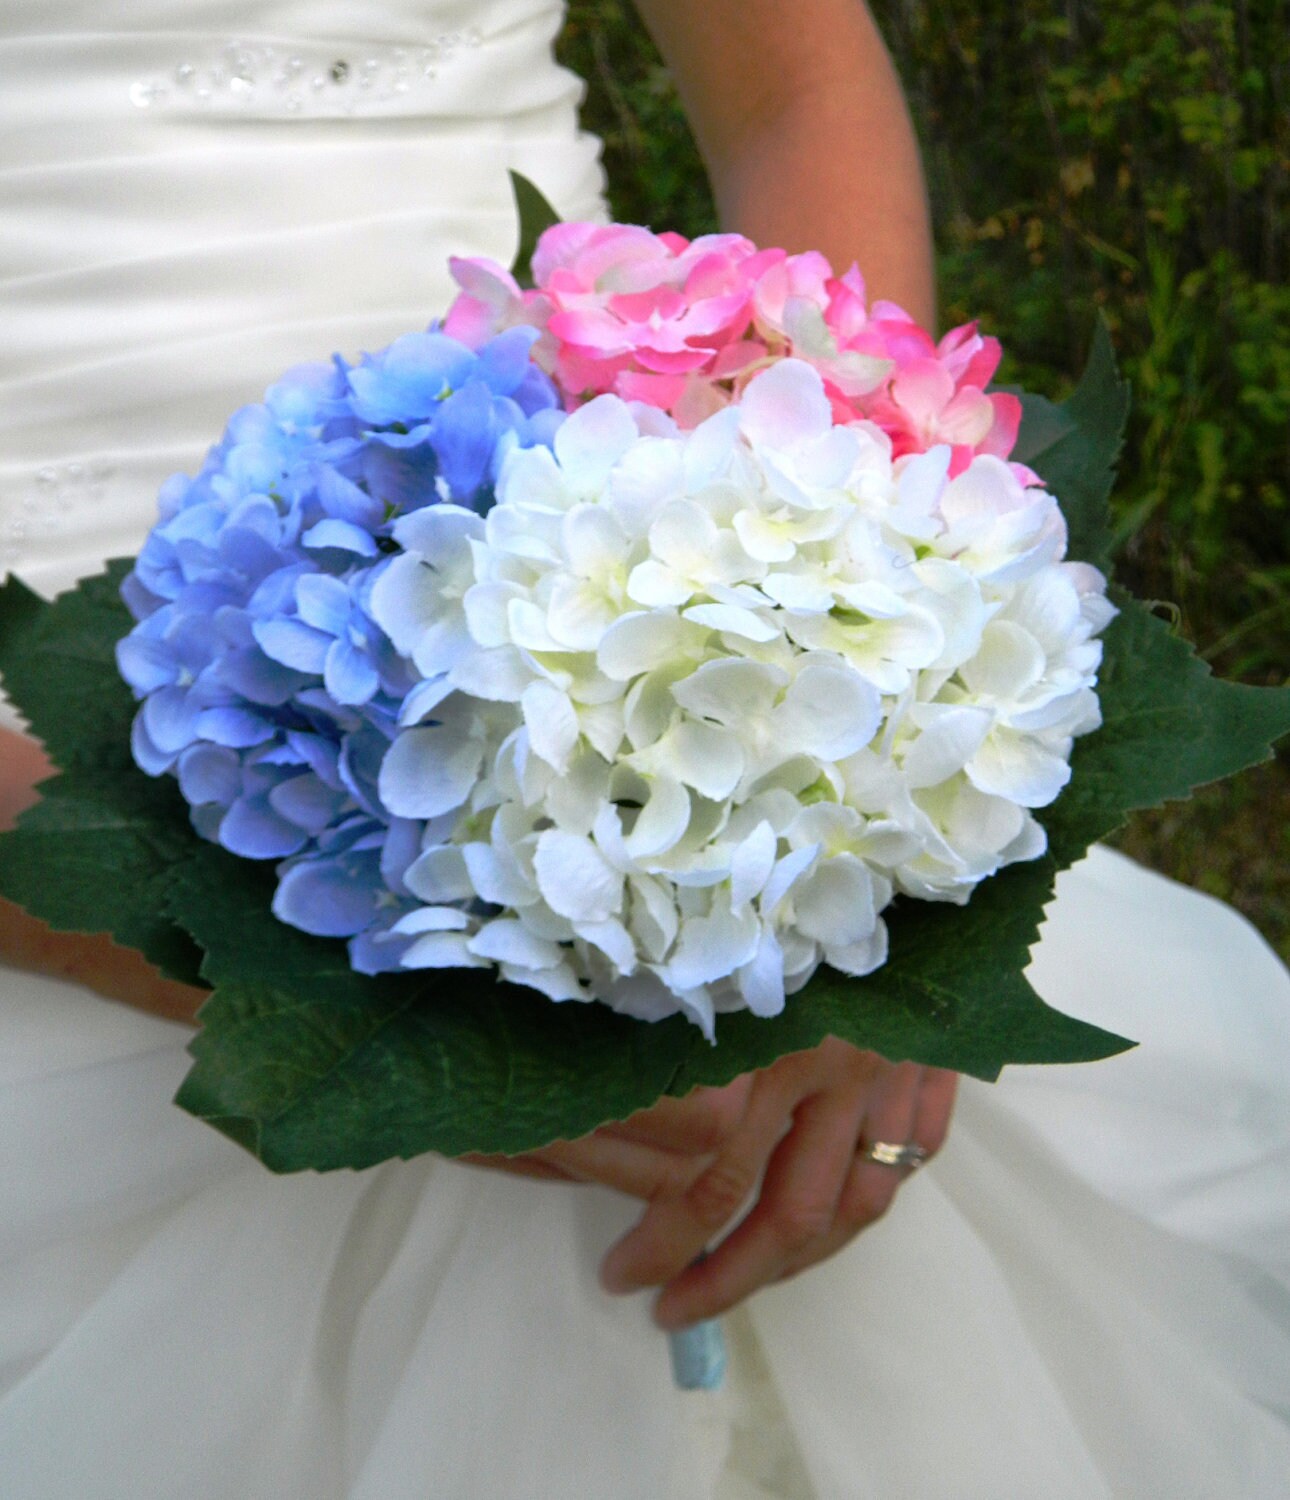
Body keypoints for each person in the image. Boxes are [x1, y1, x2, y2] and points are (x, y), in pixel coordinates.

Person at [0, 2, 1287, 1495]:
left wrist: (872, 749)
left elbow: (792, 86)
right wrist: (265, 974)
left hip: (644, 540)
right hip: (94, 791)